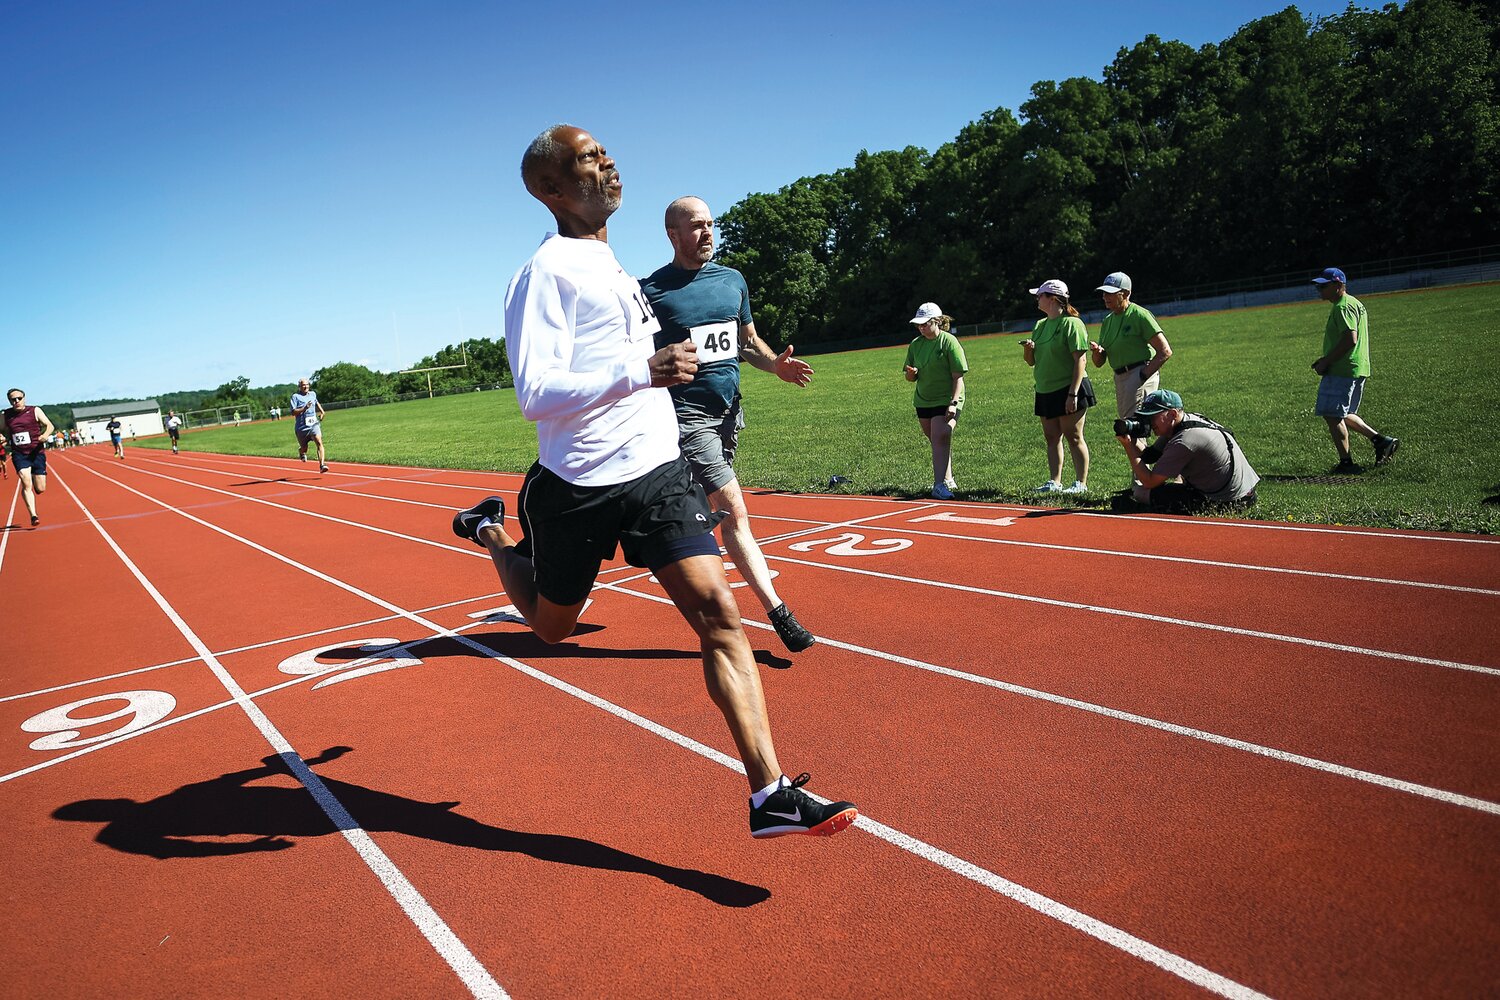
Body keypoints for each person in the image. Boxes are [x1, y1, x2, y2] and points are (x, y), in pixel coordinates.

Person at [450, 123, 856, 839]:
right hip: (578, 483)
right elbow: (535, 393)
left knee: (720, 617)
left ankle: (771, 795)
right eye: (586, 159)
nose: (606, 163)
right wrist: (644, 370)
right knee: (551, 628)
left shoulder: (615, 267)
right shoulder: (544, 274)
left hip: (657, 471)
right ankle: (489, 531)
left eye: (604, 153)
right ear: (549, 188)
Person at [639, 195, 818, 653]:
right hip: (685, 416)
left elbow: (747, 342)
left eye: (710, 224)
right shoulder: (651, 292)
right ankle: (780, 613)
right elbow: (634, 354)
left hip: (728, 411)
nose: (706, 232)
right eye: (695, 225)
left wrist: (774, 365)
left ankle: (653, 530)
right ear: (672, 234)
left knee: (710, 510)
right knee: (735, 508)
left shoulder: (732, 281)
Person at [1310, 267, 1399, 473]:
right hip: (1356, 367)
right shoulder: (1355, 304)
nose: (1319, 289)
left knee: (1332, 415)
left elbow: (1350, 338)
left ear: (1339, 285)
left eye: (1324, 285)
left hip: (1342, 369)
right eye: (1318, 285)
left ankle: (1347, 464)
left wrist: (1326, 362)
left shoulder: (1342, 307)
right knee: (1345, 413)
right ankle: (1382, 442)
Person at [1114, 389, 1259, 513]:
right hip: (1245, 492)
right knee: (1173, 483)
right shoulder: (1187, 422)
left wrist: (1128, 446)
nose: (1149, 423)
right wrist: (1132, 438)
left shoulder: (1185, 440)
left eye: (1152, 417)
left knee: (1140, 492)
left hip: (1230, 501)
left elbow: (1149, 481)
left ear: (1172, 414)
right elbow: (1150, 455)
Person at [1020, 279, 1094, 494]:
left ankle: (1081, 483)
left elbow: (1080, 360)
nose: (1037, 299)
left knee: (1074, 436)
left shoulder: (1072, 324)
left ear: (1052, 298)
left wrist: (1073, 393)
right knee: (1052, 437)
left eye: (1040, 295)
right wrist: (1028, 349)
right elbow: (1031, 361)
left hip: (1069, 387)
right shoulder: (1040, 325)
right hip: (1045, 389)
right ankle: (1054, 481)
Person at [1089, 271, 1172, 461]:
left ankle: (1142, 485)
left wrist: (1143, 375)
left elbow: (1165, 351)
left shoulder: (1140, 315)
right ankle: (1149, 478)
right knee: (1131, 428)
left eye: (1110, 293)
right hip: (1120, 377)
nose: (1105, 297)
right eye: (1104, 293)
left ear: (1125, 294)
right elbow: (1099, 363)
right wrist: (1097, 352)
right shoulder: (1108, 321)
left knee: (1133, 428)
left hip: (1139, 373)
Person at [902, 302, 968, 500]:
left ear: (937, 321)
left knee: (940, 436)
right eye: (918, 325)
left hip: (946, 398)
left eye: (925, 324)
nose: (921, 328)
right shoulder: (915, 344)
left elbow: (958, 377)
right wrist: (911, 374)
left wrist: (953, 403)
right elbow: (909, 377)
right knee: (936, 440)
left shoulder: (949, 342)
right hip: (923, 400)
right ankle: (947, 478)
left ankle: (938, 485)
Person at [4, 389, 55, 525]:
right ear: (9, 401)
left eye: (19, 398)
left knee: (40, 488)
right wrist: (2, 437)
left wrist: (45, 435)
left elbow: (49, 425)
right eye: (13, 400)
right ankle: (33, 515)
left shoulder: (34, 410)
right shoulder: (5, 415)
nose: (16, 402)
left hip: (36, 452)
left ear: (24, 398)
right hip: (19, 454)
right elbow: (1, 430)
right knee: (26, 481)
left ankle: (34, 477)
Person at [289, 379, 328, 473]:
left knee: (319, 442)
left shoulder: (313, 394)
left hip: (314, 425)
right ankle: (301, 452)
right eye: (303, 385)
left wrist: (322, 412)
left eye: (307, 384)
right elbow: (293, 412)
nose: (305, 386)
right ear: (299, 387)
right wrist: (304, 408)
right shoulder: (295, 397)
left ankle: (322, 465)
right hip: (301, 428)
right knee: (304, 448)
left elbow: (316, 402)